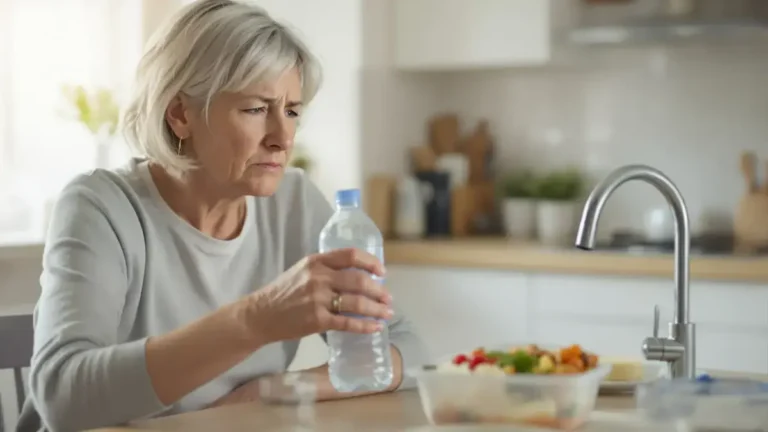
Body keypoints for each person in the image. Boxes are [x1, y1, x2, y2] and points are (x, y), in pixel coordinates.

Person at [16, 1, 427, 431]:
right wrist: (257, 319)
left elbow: (407, 348)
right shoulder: (101, 206)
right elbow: (63, 397)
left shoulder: (295, 202)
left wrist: (272, 391)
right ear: (180, 114)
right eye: (255, 109)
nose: (283, 138)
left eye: (291, 111)